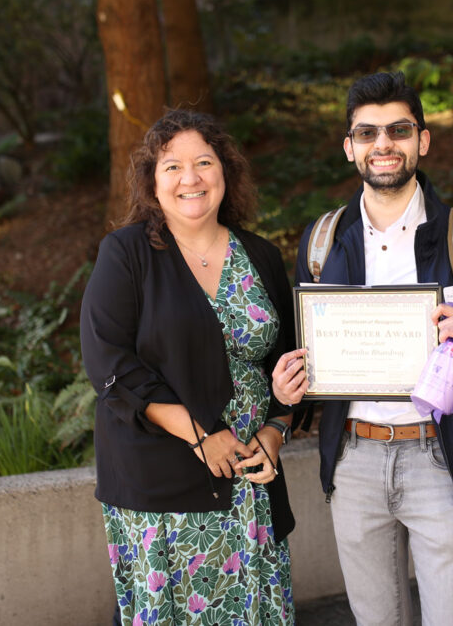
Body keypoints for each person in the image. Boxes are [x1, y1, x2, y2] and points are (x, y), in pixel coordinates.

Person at [272, 72, 453, 625]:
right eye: (367, 133)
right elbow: (310, 358)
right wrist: (292, 390)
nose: (383, 144)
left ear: (422, 140)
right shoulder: (321, 242)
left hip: (444, 459)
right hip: (355, 462)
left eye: (398, 129)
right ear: (349, 147)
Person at [80, 109, 299, 624]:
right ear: (152, 182)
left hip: (251, 481)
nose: (190, 178)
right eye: (172, 166)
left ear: (225, 172)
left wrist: (274, 433)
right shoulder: (126, 253)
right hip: (161, 484)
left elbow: (289, 367)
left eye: (203, 162)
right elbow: (108, 362)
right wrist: (202, 435)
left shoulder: (262, 257)